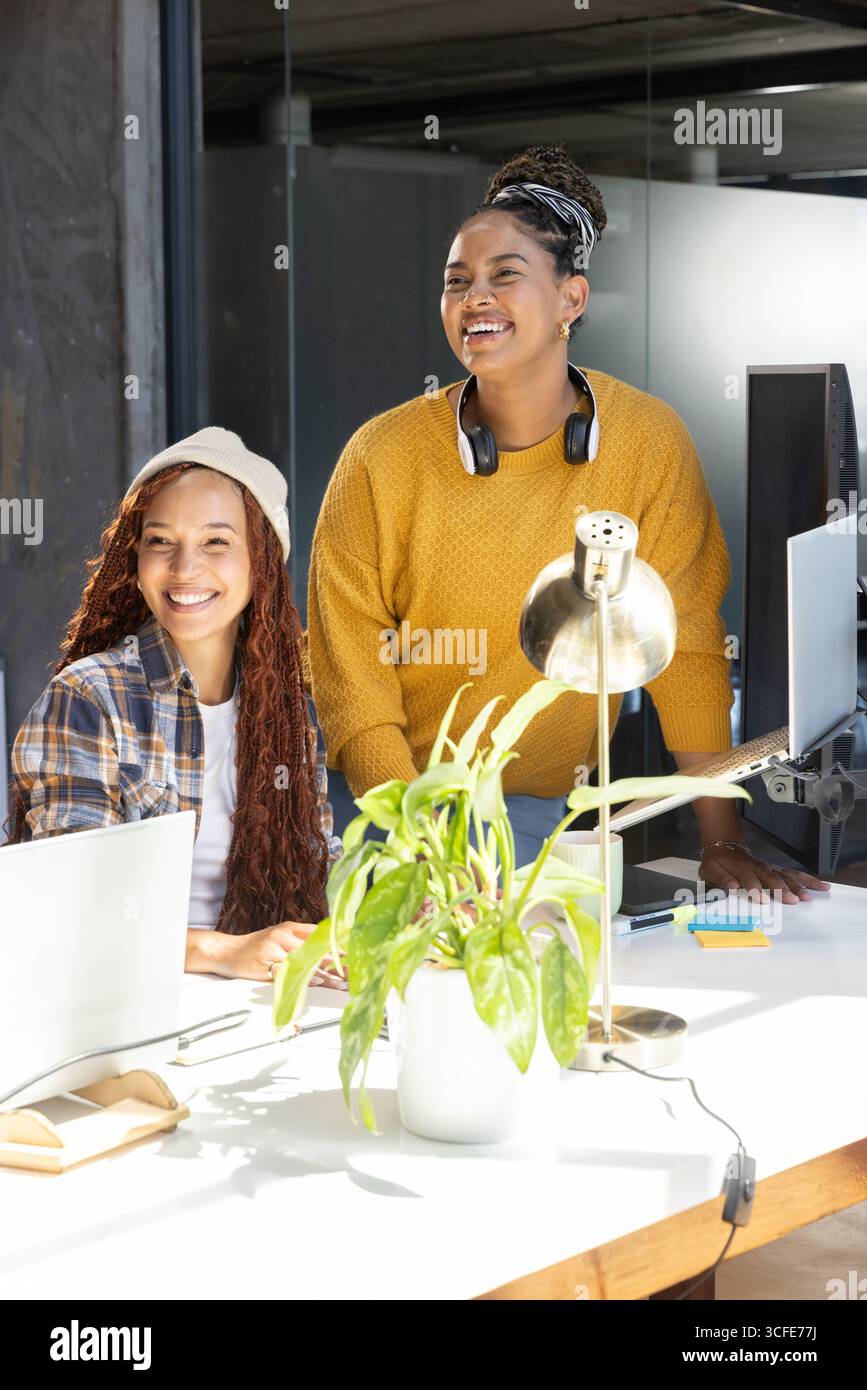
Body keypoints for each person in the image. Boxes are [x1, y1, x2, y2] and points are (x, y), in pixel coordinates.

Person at [307, 142, 828, 905]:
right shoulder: (380, 456)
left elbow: (684, 650)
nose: (473, 298)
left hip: (538, 816)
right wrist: (425, 845)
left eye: (504, 276)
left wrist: (719, 839)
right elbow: (353, 685)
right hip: (382, 810)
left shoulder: (646, 441)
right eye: (456, 283)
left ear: (571, 301)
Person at [8, 427, 344, 978]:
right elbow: (73, 911)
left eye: (216, 541)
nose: (185, 568)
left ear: (261, 564)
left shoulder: (290, 719)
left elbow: (312, 888)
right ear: (135, 563)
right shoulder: (92, 698)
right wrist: (224, 952)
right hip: (116, 1000)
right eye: (160, 541)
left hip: (250, 1005)